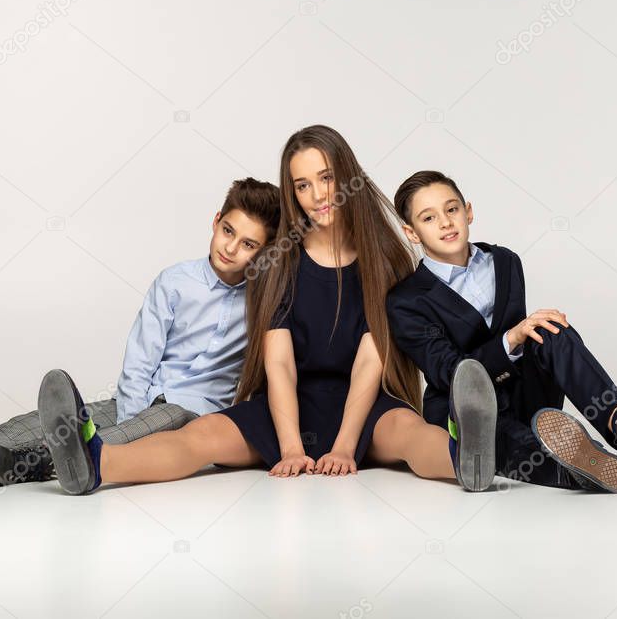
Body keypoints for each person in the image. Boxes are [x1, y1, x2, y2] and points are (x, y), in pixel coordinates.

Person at [37, 125, 491, 496]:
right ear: (292, 193)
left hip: (363, 404)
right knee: (202, 437)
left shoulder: (385, 256)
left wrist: (346, 445)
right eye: (302, 185)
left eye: (327, 177)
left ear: (347, 175)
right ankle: (97, 461)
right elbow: (279, 364)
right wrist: (291, 447)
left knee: (412, 433)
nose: (318, 194)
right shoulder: (280, 259)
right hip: (285, 405)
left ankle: (465, 457)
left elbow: (372, 359)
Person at [0, 178, 280, 486]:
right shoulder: (174, 281)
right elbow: (141, 356)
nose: (230, 248)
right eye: (228, 231)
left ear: (263, 253)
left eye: (248, 244)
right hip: (139, 395)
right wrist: (127, 409)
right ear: (216, 219)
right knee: (31, 424)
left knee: (133, 430)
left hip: (192, 410)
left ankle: (40, 464)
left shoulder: (266, 302)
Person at [386, 170, 617, 492]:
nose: (445, 222)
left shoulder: (505, 261)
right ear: (412, 232)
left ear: (468, 211)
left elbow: (527, 338)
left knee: (548, 328)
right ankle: (574, 467)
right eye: (429, 217)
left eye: (451, 210)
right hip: (470, 415)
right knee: (505, 439)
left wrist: (526, 333)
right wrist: (511, 338)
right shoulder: (406, 300)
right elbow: (450, 373)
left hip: (524, 393)